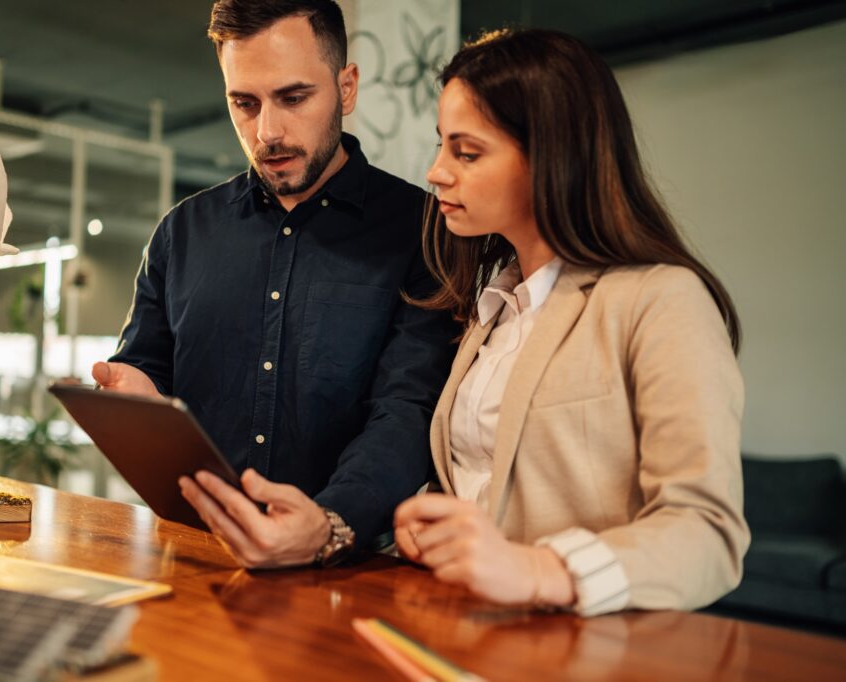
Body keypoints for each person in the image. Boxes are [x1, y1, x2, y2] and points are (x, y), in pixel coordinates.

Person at [393, 28, 750, 616]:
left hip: (603, 652)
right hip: (475, 636)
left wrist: (539, 570)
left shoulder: (661, 300)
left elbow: (707, 534)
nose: (435, 173)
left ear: (552, 158)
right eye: (441, 146)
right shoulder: (492, 309)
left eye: (467, 152)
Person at [93, 0, 457, 568]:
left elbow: (408, 410)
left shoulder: (425, 230)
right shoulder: (181, 232)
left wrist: (328, 524)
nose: (267, 131)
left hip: (346, 566)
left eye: (293, 98)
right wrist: (135, 403)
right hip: (193, 556)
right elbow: (148, 373)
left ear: (347, 87)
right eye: (245, 103)